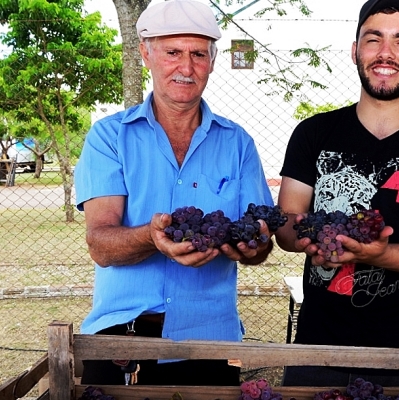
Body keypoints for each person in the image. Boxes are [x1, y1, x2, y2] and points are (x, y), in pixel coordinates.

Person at [275, 0, 399, 388]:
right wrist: (307, 238)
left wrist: (383, 254)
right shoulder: (314, 133)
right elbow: (287, 223)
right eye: (373, 39)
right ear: (355, 50)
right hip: (317, 349)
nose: (386, 53)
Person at [73, 0, 274, 386]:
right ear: (145, 54)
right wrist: (152, 237)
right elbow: (100, 244)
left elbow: (261, 240)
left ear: (213, 61)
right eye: (173, 53)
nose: (186, 67)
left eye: (198, 54)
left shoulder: (238, 144)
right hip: (124, 341)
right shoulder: (109, 137)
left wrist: (253, 246)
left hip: (209, 342)